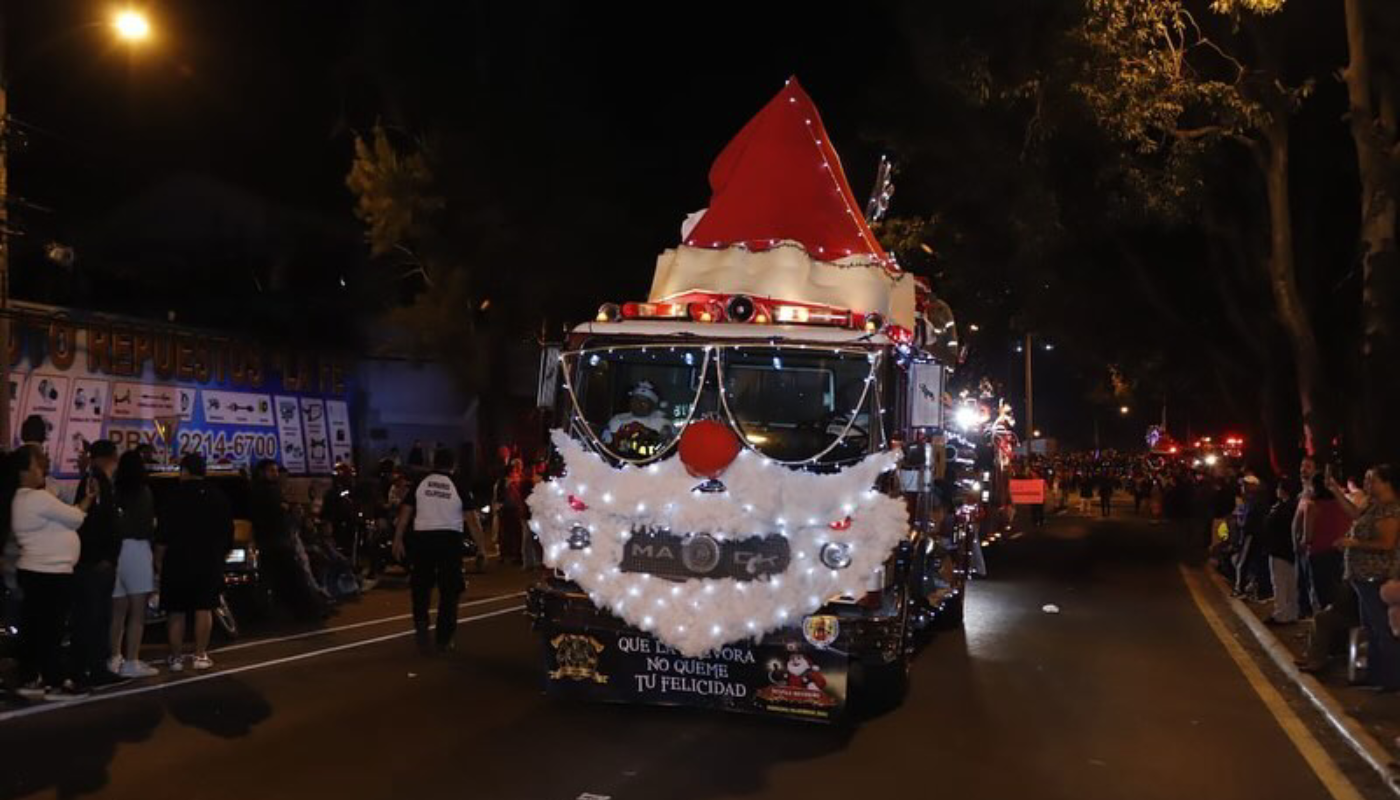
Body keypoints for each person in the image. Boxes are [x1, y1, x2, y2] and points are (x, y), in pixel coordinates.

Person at [7, 445, 96, 699]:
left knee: (36, 629)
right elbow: (76, 517)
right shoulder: (37, 497)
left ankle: (31, 679)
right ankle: (55, 683)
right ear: (25, 470)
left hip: (36, 571)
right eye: (38, 465)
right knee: (51, 630)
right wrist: (87, 500)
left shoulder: (21, 498)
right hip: (49, 574)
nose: (42, 470)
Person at [1300, 465, 1400, 680]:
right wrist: (1335, 490)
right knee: (1370, 627)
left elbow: (1387, 543)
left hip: (1376, 576)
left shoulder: (1390, 509)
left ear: (1387, 482)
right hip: (1360, 576)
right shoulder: (1373, 505)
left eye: (1372, 480)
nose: (1367, 484)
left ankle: (1390, 676)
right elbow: (1355, 514)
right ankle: (1376, 675)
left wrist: (1353, 543)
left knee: (1380, 627)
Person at [156, 453, 233, 671]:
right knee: (204, 608)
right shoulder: (218, 496)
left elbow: (163, 533)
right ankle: (200, 655)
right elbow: (228, 532)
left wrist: (159, 559)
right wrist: (220, 554)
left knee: (176, 610)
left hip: (177, 559)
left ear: (184, 471)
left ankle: (177, 658)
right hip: (208, 560)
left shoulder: (172, 496)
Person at [393, 447, 468, 654]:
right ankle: (444, 638)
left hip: (423, 539)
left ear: (434, 463)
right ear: (453, 465)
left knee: (421, 587)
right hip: (450, 540)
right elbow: (472, 518)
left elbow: (405, 512)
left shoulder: (420, 482)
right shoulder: (457, 484)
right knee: (449, 591)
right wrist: (481, 547)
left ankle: (421, 625)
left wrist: (397, 539)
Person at [72, 440, 125, 689]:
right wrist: (105, 557)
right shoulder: (96, 482)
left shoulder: (94, 480)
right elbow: (97, 524)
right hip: (95, 563)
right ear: (108, 458)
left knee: (92, 616)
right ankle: (91, 669)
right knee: (94, 617)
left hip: (91, 561)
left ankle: (88, 668)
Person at [109, 450, 159, 678]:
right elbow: (146, 527)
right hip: (136, 549)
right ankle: (132, 660)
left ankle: (114, 657)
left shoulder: (113, 490)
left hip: (114, 549)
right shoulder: (143, 492)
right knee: (138, 611)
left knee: (117, 610)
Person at [601, 381, 673, 457]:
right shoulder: (617, 420)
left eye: (644, 401)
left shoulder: (663, 423)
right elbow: (607, 447)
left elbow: (666, 451)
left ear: (653, 405)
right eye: (636, 400)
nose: (639, 404)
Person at [1264, 480, 1301, 625]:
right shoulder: (1295, 506)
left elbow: (1270, 526)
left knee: (1279, 584)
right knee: (1291, 584)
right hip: (1291, 551)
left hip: (1278, 550)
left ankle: (1281, 614)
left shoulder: (1281, 509)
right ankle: (1292, 613)